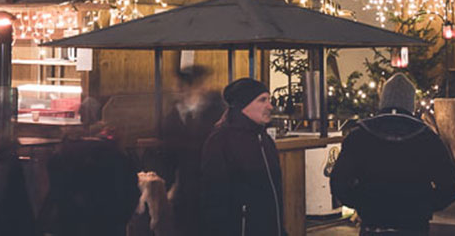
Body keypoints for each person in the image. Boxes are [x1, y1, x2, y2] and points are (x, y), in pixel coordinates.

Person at [328, 73, 455, 235]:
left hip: (373, 225)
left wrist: (364, 203)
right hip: (414, 226)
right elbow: (450, 186)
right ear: (411, 103)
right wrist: (422, 205)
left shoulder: (359, 136)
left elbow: (339, 182)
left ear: (383, 100)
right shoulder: (427, 138)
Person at [198, 77, 283, 235]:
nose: (270, 106)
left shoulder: (266, 140)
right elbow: (213, 200)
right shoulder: (221, 141)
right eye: (262, 100)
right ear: (244, 105)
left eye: (269, 99)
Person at [157, 64, 226, 233]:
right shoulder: (174, 115)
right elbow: (168, 156)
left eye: (181, 85)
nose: (176, 89)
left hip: (213, 189)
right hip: (185, 190)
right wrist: (168, 186)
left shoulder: (218, 113)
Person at [38, 125, 142, 236]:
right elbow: (132, 194)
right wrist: (120, 221)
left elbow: (55, 191)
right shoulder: (119, 157)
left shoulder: (63, 153)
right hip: (107, 224)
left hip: (69, 221)